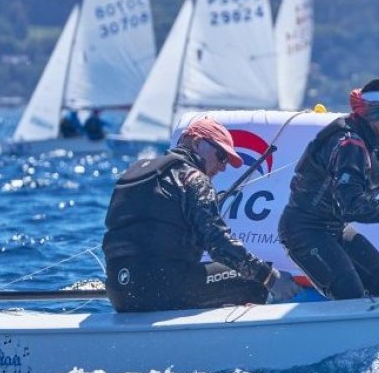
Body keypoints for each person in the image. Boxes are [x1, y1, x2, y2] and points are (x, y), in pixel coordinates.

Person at [101, 117, 299, 312]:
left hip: (119, 292)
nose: (223, 167)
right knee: (254, 280)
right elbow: (219, 244)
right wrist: (268, 277)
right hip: (161, 289)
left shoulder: (133, 173)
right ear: (196, 143)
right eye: (221, 156)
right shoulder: (193, 178)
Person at [278, 79, 379, 300]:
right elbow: (353, 206)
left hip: (336, 227)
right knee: (349, 292)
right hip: (305, 229)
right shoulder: (348, 144)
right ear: (377, 117)